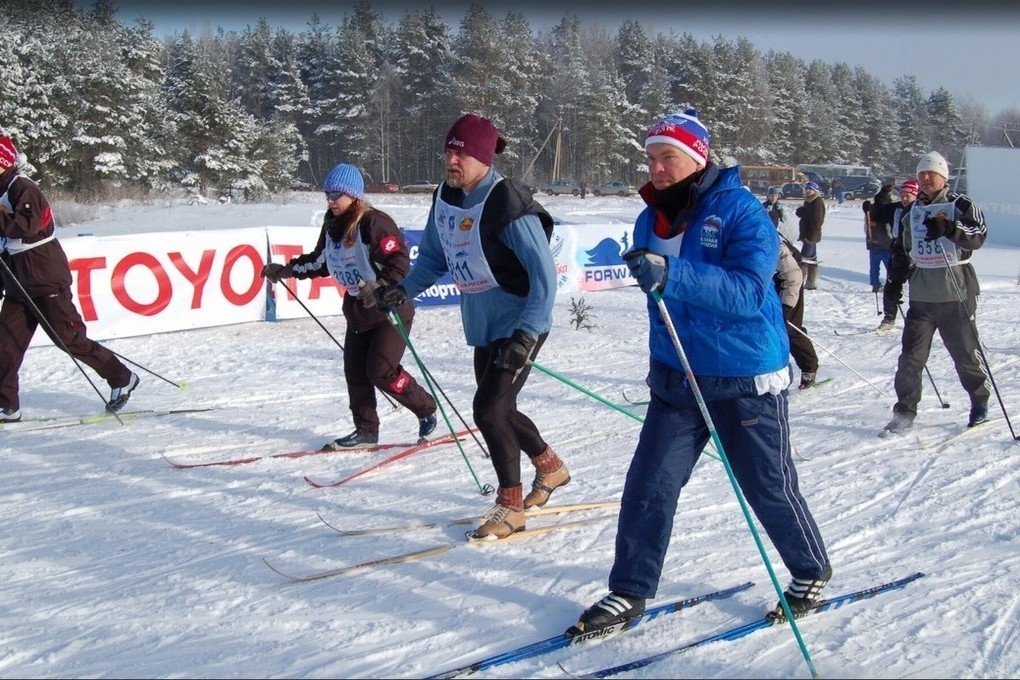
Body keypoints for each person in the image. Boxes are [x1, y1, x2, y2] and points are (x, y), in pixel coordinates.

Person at [567, 110, 831, 636]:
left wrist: (674, 273)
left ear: (698, 157)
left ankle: (810, 571)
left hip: (743, 377)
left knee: (768, 487)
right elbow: (660, 301)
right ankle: (630, 590)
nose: (658, 169)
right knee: (649, 485)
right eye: (651, 158)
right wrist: (659, 353)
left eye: (668, 158)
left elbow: (750, 293)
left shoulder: (740, 212)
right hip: (677, 379)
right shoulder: (650, 218)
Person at [373, 113, 567, 540]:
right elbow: (433, 260)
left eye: (460, 152)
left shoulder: (506, 201)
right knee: (501, 408)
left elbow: (545, 277)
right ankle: (551, 468)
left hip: (521, 321)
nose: (451, 160)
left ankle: (510, 505)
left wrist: (527, 332)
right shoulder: (447, 197)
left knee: (488, 409)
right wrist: (402, 290)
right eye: (448, 150)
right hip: (484, 323)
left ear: (482, 156)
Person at [261, 163, 438, 449]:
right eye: (328, 194)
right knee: (355, 373)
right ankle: (366, 430)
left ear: (353, 196)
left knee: (381, 371)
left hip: (389, 309)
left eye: (336, 195)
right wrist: (286, 271)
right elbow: (320, 262)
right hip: (358, 311)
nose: (330, 200)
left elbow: (400, 263)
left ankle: (425, 409)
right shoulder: (332, 226)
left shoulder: (374, 222)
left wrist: (381, 287)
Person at [0, 136, 139, 422]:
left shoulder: (22, 187)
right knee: (4, 345)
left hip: (45, 276)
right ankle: (7, 406)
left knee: (69, 339)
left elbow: (26, 226)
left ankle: (121, 377)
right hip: (18, 284)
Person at [880, 152, 989, 436]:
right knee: (910, 358)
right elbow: (904, 249)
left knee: (964, 354)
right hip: (922, 296)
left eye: (932, 173)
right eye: (922, 174)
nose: (926, 178)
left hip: (956, 291)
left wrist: (951, 228)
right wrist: (894, 282)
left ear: (944, 176)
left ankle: (980, 401)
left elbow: (978, 234)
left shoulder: (960, 204)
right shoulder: (912, 211)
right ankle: (904, 412)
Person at [774, 225, 819, 389]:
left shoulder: (773, 244)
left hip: (791, 280)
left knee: (790, 327)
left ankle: (809, 367)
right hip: (771, 282)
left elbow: (793, 276)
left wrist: (786, 306)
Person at [872, 179, 919, 332]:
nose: (905, 199)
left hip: (917, 252)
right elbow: (879, 212)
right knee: (892, 285)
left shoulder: (921, 209)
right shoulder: (895, 208)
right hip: (898, 250)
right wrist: (871, 207)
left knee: (918, 287)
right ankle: (889, 317)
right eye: (903, 195)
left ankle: (918, 319)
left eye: (908, 196)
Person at [862, 181, 896, 293]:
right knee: (889, 266)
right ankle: (891, 284)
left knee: (874, 266)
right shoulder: (889, 207)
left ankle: (875, 284)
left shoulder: (872, 207)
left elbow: (866, 225)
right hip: (886, 242)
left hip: (872, 241)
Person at [795, 181, 826, 290]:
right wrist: (801, 212)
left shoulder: (817, 202)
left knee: (803, 260)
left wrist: (811, 237)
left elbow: (818, 221)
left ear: (815, 191)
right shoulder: (809, 201)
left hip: (811, 236)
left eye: (810, 189)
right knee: (812, 259)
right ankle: (811, 283)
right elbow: (807, 215)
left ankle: (798, 283)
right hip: (807, 235)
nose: (808, 190)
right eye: (807, 188)